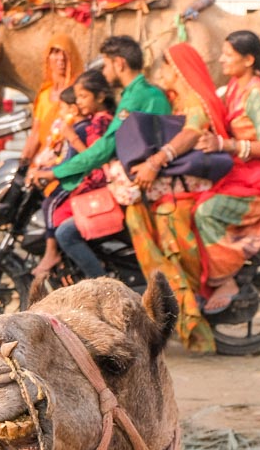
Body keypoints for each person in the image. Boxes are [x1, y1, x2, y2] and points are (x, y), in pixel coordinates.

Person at [158, 31, 260, 317]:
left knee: (206, 211)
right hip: (243, 169)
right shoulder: (234, 87)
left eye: (228, 55)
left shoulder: (258, 94)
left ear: (248, 59)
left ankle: (225, 279)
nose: (222, 60)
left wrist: (224, 144)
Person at [45, 35, 172, 279]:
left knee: (66, 233)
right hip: (134, 186)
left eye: (105, 64)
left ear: (119, 63)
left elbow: (106, 148)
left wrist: (56, 172)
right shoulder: (138, 94)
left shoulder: (138, 97)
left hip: (139, 190)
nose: (104, 70)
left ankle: (102, 292)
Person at [27, 70, 115, 286]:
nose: (79, 103)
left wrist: (53, 172)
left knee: (63, 225)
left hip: (98, 185)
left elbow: (92, 158)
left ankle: (101, 286)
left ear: (100, 97)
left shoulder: (99, 123)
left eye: (83, 97)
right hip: (91, 181)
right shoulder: (93, 121)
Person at [22, 35, 82, 169]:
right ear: (47, 57)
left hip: (67, 160)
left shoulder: (79, 93)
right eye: (55, 52)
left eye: (65, 53)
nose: (61, 58)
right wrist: (23, 163)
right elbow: (35, 134)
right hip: (42, 160)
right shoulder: (44, 94)